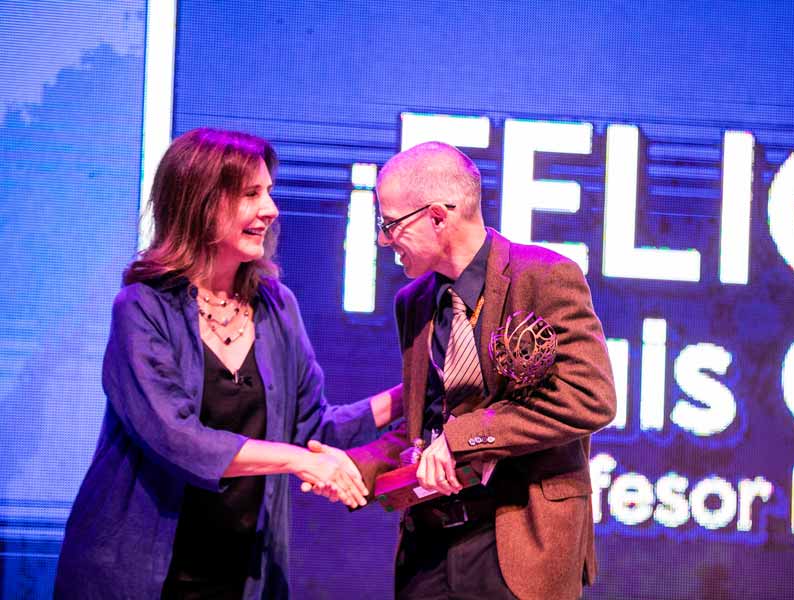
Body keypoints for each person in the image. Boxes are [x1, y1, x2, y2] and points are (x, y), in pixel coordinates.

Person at [54, 128, 401, 599]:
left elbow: (312, 431)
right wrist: (297, 460)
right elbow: (178, 439)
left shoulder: (277, 307)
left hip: (241, 576)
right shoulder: (142, 308)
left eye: (270, 192)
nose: (271, 209)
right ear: (200, 204)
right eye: (250, 194)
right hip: (136, 576)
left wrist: (407, 397)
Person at [324, 141, 617, 599]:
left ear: (438, 216)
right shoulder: (414, 303)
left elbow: (588, 398)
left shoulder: (542, 277)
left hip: (519, 544)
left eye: (390, 224)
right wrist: (355, 467)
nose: (384, 240)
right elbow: (425, 427)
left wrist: (462, 440)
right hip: (430, 545)